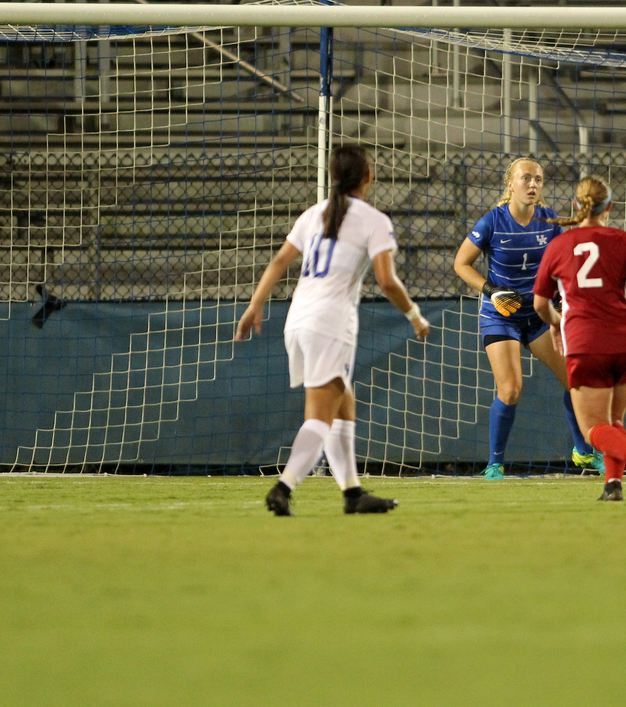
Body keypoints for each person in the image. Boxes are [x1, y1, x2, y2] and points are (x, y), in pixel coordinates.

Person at [236, 145, 431, 516]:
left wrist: (255, 304)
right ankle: (283, 486)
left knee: (343, 407)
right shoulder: (373, 220)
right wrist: (415, 315)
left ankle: (352, 492)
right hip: (329, 322)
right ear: (368, 177)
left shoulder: (314, 214)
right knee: (319, 418)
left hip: (299, 319)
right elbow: (388, 280)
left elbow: (279, 261)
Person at [453, 158, 601, 479]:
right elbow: (461, 264)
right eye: (525, 179)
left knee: (577, 380)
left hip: (538, 315)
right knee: (510, 390)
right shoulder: (492, 221)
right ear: (510, 184)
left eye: (538, 179)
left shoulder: (549, 221)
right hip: (500, 316)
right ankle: (494, 464)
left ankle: (583, 452)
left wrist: (561, 300)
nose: (532, 185)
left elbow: (563, 264)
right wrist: (491, 290)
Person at [532, 175, 626, 501]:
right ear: (609, 206)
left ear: (576, 206)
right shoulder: (625, 240)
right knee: (614, 421)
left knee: (593, 429)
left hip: (586, 344)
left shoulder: (559, 245)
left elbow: (540, 303)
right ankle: (613, 486)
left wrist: (556, 323)